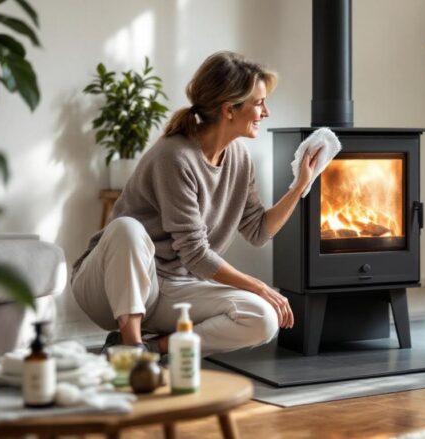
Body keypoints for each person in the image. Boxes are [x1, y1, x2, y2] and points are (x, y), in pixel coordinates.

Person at [72, 51, 320, 355]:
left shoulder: (240, 159)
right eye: (258, 103)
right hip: (109, 287)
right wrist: (259, 286)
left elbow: (258, 231)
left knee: (263, 318)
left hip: (175, 290)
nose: (265, 112)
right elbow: (195, 253)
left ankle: (153, 348)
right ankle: (131, 346)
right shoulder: (174, 156)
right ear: (229, 110)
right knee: (127, 229)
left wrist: (300, 186)